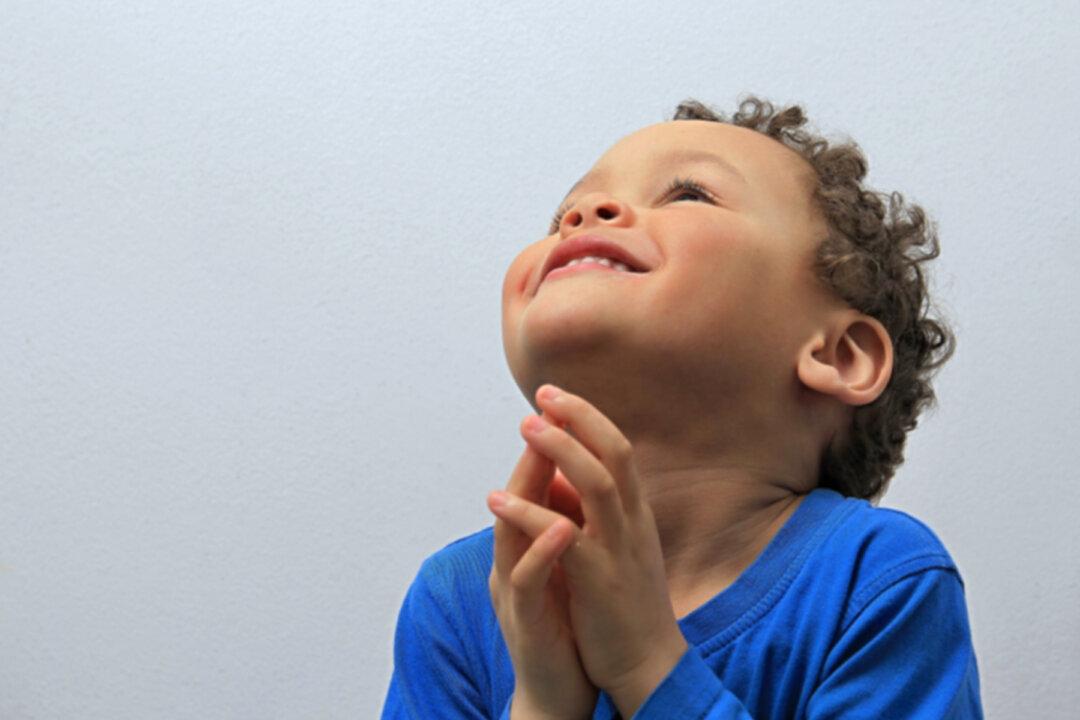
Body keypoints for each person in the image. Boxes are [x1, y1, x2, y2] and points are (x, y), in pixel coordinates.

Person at [380, 94, 983, 719]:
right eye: (561, 215)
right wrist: (544, 703)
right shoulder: (456, 600)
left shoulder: (879, 581)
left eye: (689, 194)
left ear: (839, 355)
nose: (583, 215)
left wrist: (646, 665)